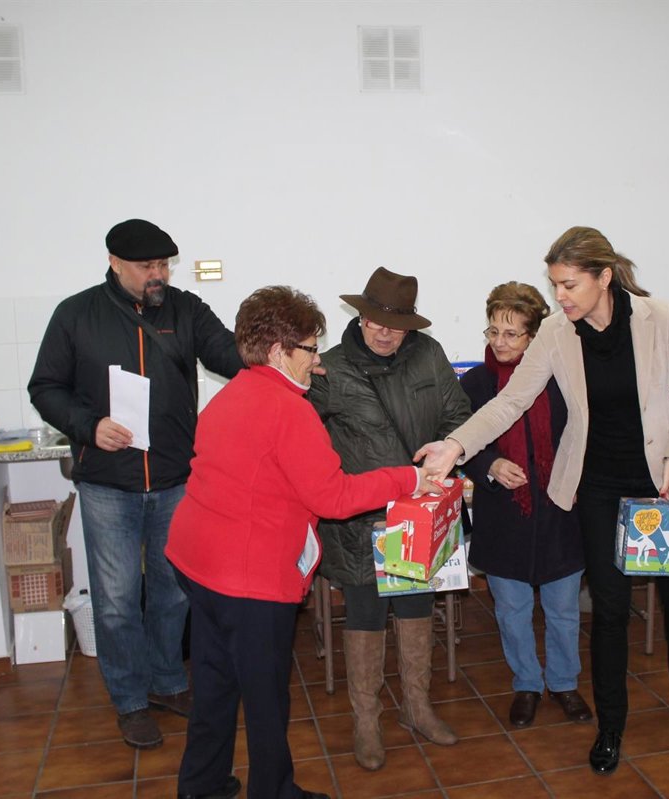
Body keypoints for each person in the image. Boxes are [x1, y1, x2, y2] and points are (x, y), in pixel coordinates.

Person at [416, 226, 669, 776]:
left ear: (604, 277)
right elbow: (510, 402)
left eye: (569, 285)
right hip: (596, 486)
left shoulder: (659, 317)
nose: (560, 296)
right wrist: (456, 446)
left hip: (661, 481)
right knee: (610, 609)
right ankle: (611, 725)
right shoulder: (556, 331)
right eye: (555, 285)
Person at [165, 286, 438, 799]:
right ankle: (274, 791)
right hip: (248, 578)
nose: (318, 361)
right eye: (310, 350)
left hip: (197, 561)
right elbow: (333, 497)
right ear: (277, 351)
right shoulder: (289, 410)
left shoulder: (233, 393)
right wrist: (407, 478)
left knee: (215, 685)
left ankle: (202, 786)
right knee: (265, 699)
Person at [29, 219, 243, 749]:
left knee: (173, 593)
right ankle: (129, 701)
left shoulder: (186, 310)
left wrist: (281, 355)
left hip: (175, 479)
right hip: (108, 484)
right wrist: (89, 426)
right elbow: (45, 387)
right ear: (114, 262)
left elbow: (230, 357)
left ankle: (167, 682)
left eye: (164, 264)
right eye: (147, 266)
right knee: (118, 600)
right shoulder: (76, 315)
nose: (158, 275)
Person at [308, 267, 471, 770]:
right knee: (365, 611)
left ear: (410, 326)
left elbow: (458, 416)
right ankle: (366, 719)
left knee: (417, 604)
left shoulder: (429, 354)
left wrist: (446, 454)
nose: (384, 333)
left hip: (419, 511)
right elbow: (306, 438)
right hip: (360, 516)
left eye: (396, 326)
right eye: (375, 322)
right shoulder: (331, 368)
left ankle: (416, 707)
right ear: (359, 317)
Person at [459, 281, 591, 729]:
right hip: (504, 515)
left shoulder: (561, 378)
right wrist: (491, 465)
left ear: (535, 337)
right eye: (493, 331)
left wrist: (577, 476)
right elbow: (463, 439)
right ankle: (527, 685)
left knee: (563, 609)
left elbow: (584, 434)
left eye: (512, 334)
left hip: (559, 512)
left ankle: (564, 683)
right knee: (511, 610)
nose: (500, 342)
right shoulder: (476, 383)